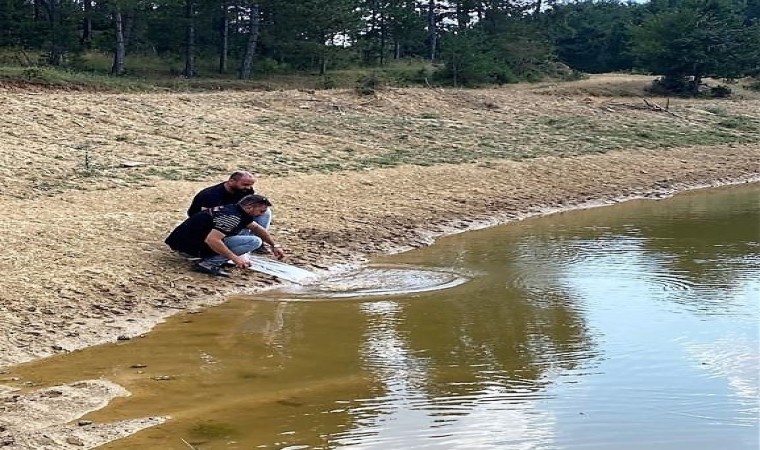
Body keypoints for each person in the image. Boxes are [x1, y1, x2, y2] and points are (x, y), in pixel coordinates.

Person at [166, 194, 286, 277]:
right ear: (249, 207)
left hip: (187, 239)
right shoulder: (232, 217)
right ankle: (208, 264)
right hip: (189, 246)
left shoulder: (236, 210)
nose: (262, 214)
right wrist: (235, 258)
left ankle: (216, 258)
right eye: (261, 211)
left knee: (251, 236)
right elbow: (212, 240)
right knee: (254, 241)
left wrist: (274, 245)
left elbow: (256, 228)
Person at [187, 171, 272, 230]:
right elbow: (205, 216)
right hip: (209, 223)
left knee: (265, 211)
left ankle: (259, 240)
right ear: (231, 181)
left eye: (250, 185)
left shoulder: (245, 190)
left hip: (232, 217)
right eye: (245, 184)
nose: (248, 188)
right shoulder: (212, 195)